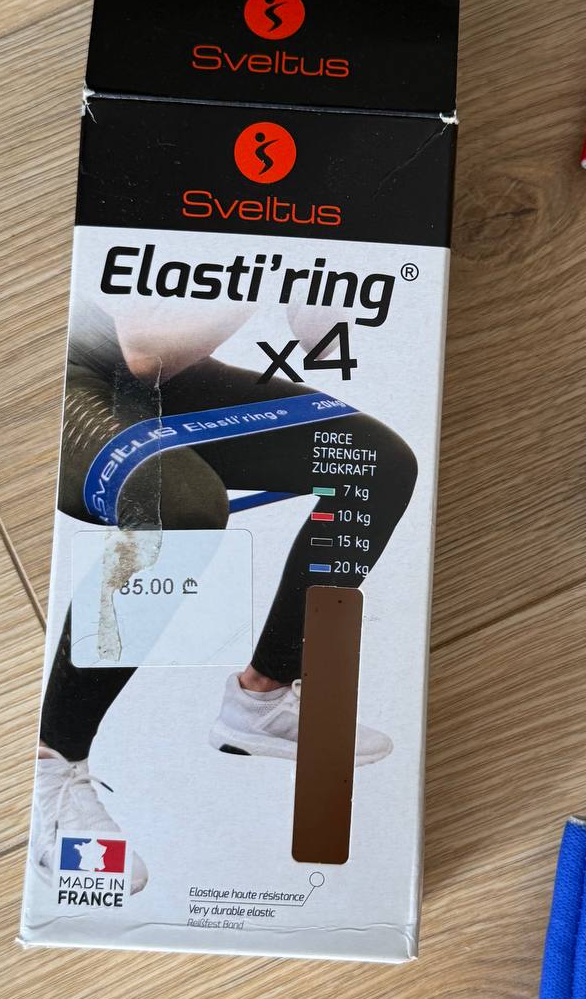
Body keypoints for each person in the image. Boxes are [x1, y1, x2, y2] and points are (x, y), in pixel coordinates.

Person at [30, 294, 417, 891]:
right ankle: (51, 767)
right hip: (68, 371)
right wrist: (261, 278)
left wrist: (324, 288)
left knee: (375, 464)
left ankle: (262, 702)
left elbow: (318, 336)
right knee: (182, 509)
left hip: (165, 383)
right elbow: (146, 347)